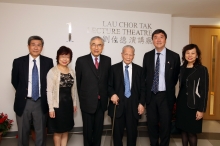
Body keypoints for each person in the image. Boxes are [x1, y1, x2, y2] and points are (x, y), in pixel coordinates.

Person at [11, 36, 53, 146]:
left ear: (42, 47)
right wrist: (24, 92)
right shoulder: (18, 62)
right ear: (28, 46)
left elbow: (50, 82)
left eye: (39, 45)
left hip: (41, 102)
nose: (36, 47)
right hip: (24, 102)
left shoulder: (48, 62)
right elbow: (14, 81)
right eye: (33, 44)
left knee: (41, 133)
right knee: (23, 132)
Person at [142, 29, 180, 146]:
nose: (158, 40)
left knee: (165, 124)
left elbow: (175, 78)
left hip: (165, 96)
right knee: (151, 124)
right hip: (151, 95)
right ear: (152, 40)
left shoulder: (174, 56)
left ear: (165, 40)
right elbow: (145, 76)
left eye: (161, 37)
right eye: (155, 37)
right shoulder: (147, 56)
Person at [75, 36, 111, 146]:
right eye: (94, 44)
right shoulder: (81, 60)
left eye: (99, 45)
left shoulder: (107, 60)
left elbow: (107, 80)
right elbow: (79, 83)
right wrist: (83, 99)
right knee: (87, 130)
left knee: (98, 130)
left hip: (101, 102)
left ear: (103, 47)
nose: (96, 47)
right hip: (87, 102)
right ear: (90, 46)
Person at [108, 45, 145, 146]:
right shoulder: (113, 68)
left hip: (133, 107)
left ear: (134, 56)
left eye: (131, 55)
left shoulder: (140, 70)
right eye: (126, 54)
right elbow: (108, 85)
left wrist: (141, 103)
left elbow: (143, 89)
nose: (128, 57)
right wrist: (112, 94)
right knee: (117, 135)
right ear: (121, 54)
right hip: (118, 105)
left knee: (132, 135)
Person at [176, 44, 209, 146]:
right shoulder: (181, 68)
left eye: (193, 53)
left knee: (191, 132)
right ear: (184, 55)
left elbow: (204, 90)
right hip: (182, 103)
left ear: (197, 55)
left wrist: (201, 109)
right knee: (183, 130)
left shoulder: (201, 69)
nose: (190, 55)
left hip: (194, 105)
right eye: (187, 53)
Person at [47, 46, 77, 146]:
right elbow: (49, 91)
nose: (65, 59)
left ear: (70, 58)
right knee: (58, 130)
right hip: (57, 106)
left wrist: (74, 103)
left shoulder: (71, 71)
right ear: (58, 57)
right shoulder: (53, 71)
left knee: (66, 129)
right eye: (62, 56)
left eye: (67, 57)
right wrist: (51, 108)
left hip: (68, 105)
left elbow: (73, 89)